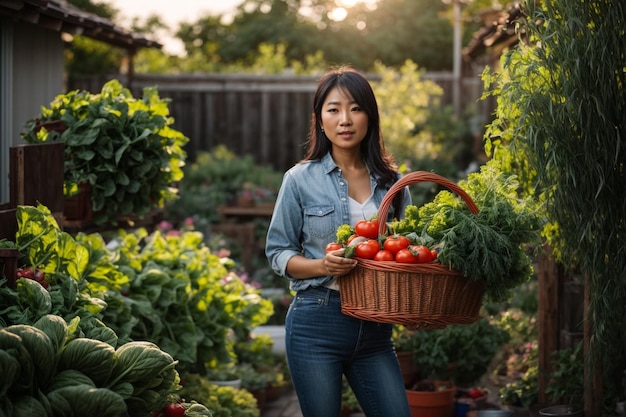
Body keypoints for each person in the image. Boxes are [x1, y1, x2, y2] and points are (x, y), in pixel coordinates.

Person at [265, 66, 412, 417]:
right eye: (333, 109)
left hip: (376, 328)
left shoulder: (394, 182)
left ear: (369, 116)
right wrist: (321, 265)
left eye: (355, 108)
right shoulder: (299, 179)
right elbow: (277, 252)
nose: (345, 119)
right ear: (320, 118)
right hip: (317, 323)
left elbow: (407, 248)